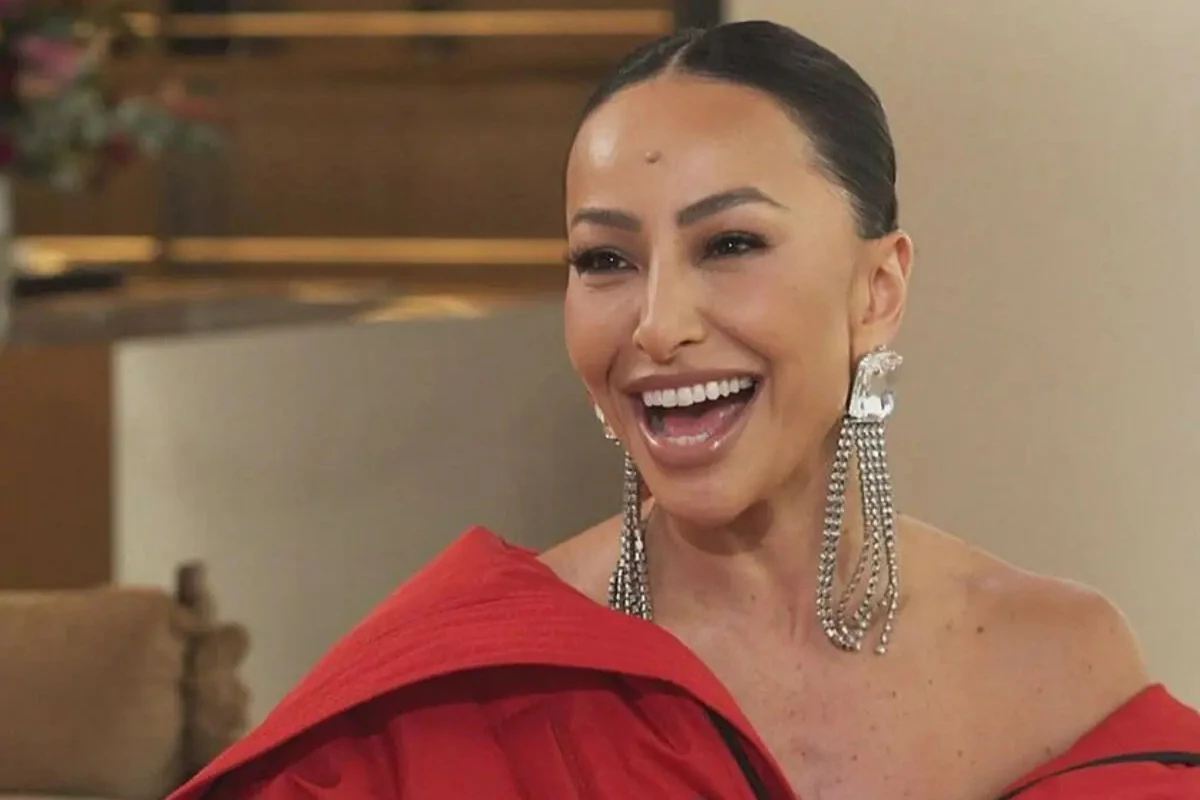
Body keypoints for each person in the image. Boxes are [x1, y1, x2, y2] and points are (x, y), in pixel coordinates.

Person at [169, 20, 1200, 800]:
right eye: (605, 260)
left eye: (731, 244)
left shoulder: (1065, 664)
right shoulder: (458, 693)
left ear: (877, 290)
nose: (658, 325)